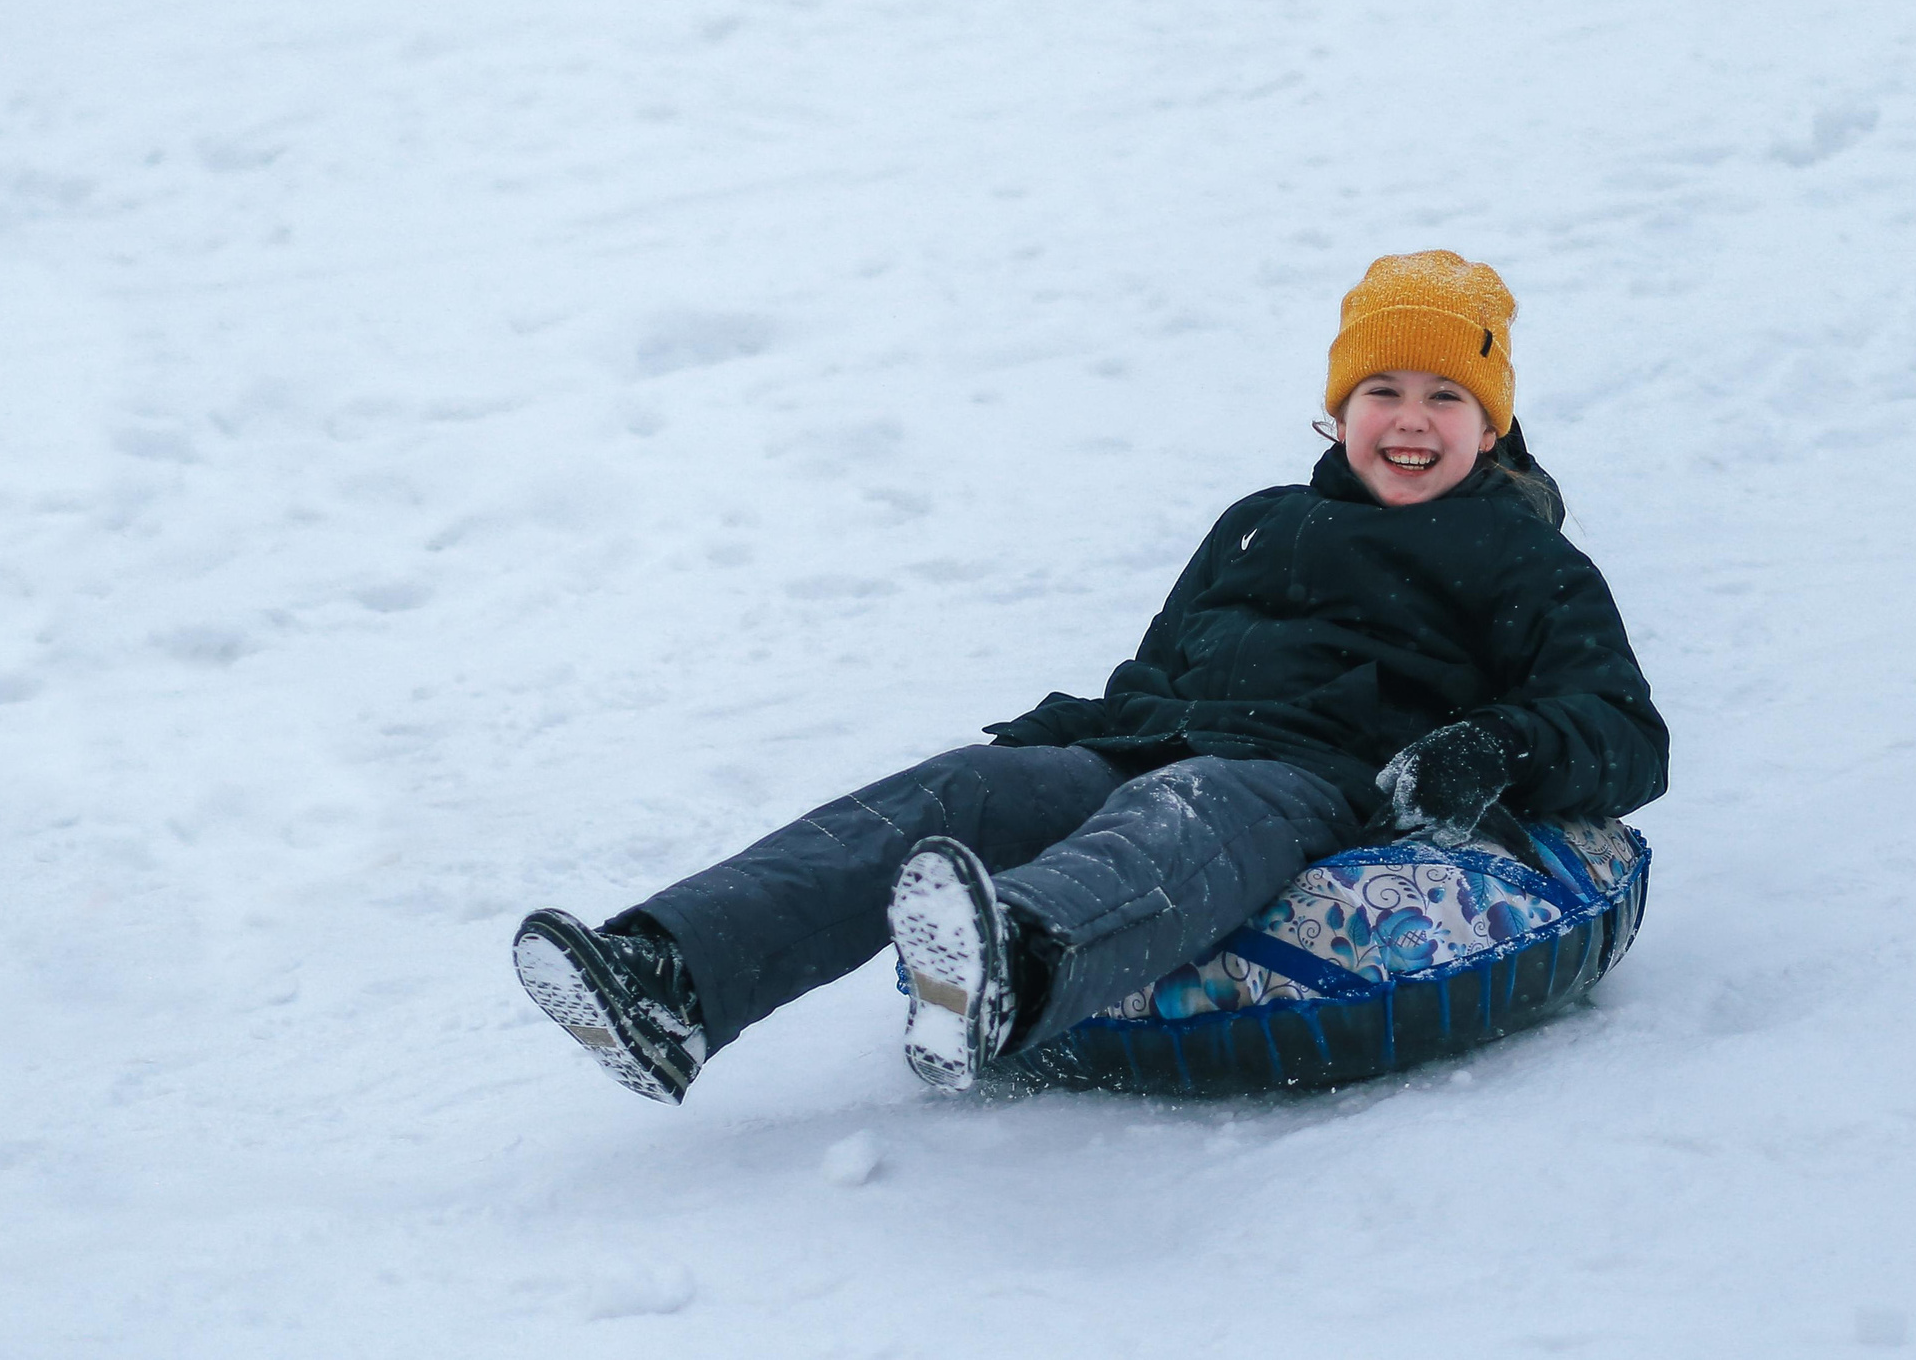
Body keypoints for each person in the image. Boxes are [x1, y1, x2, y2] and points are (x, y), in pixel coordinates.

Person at [512, 250, 1669, 1101]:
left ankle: (1012, 963)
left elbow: (1622, 726)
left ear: (1490, 424)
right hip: (1155, 734)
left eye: (1446, 400)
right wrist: (1061, 736)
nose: (1409, 424)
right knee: (961, 785)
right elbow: (1162, 661)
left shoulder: (1521, 554)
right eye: (1383, 393)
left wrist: (1494, 749)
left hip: (1307, 777)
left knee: (1189, 810)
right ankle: (670, 976)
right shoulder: (1256, 523)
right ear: (1338, 408)